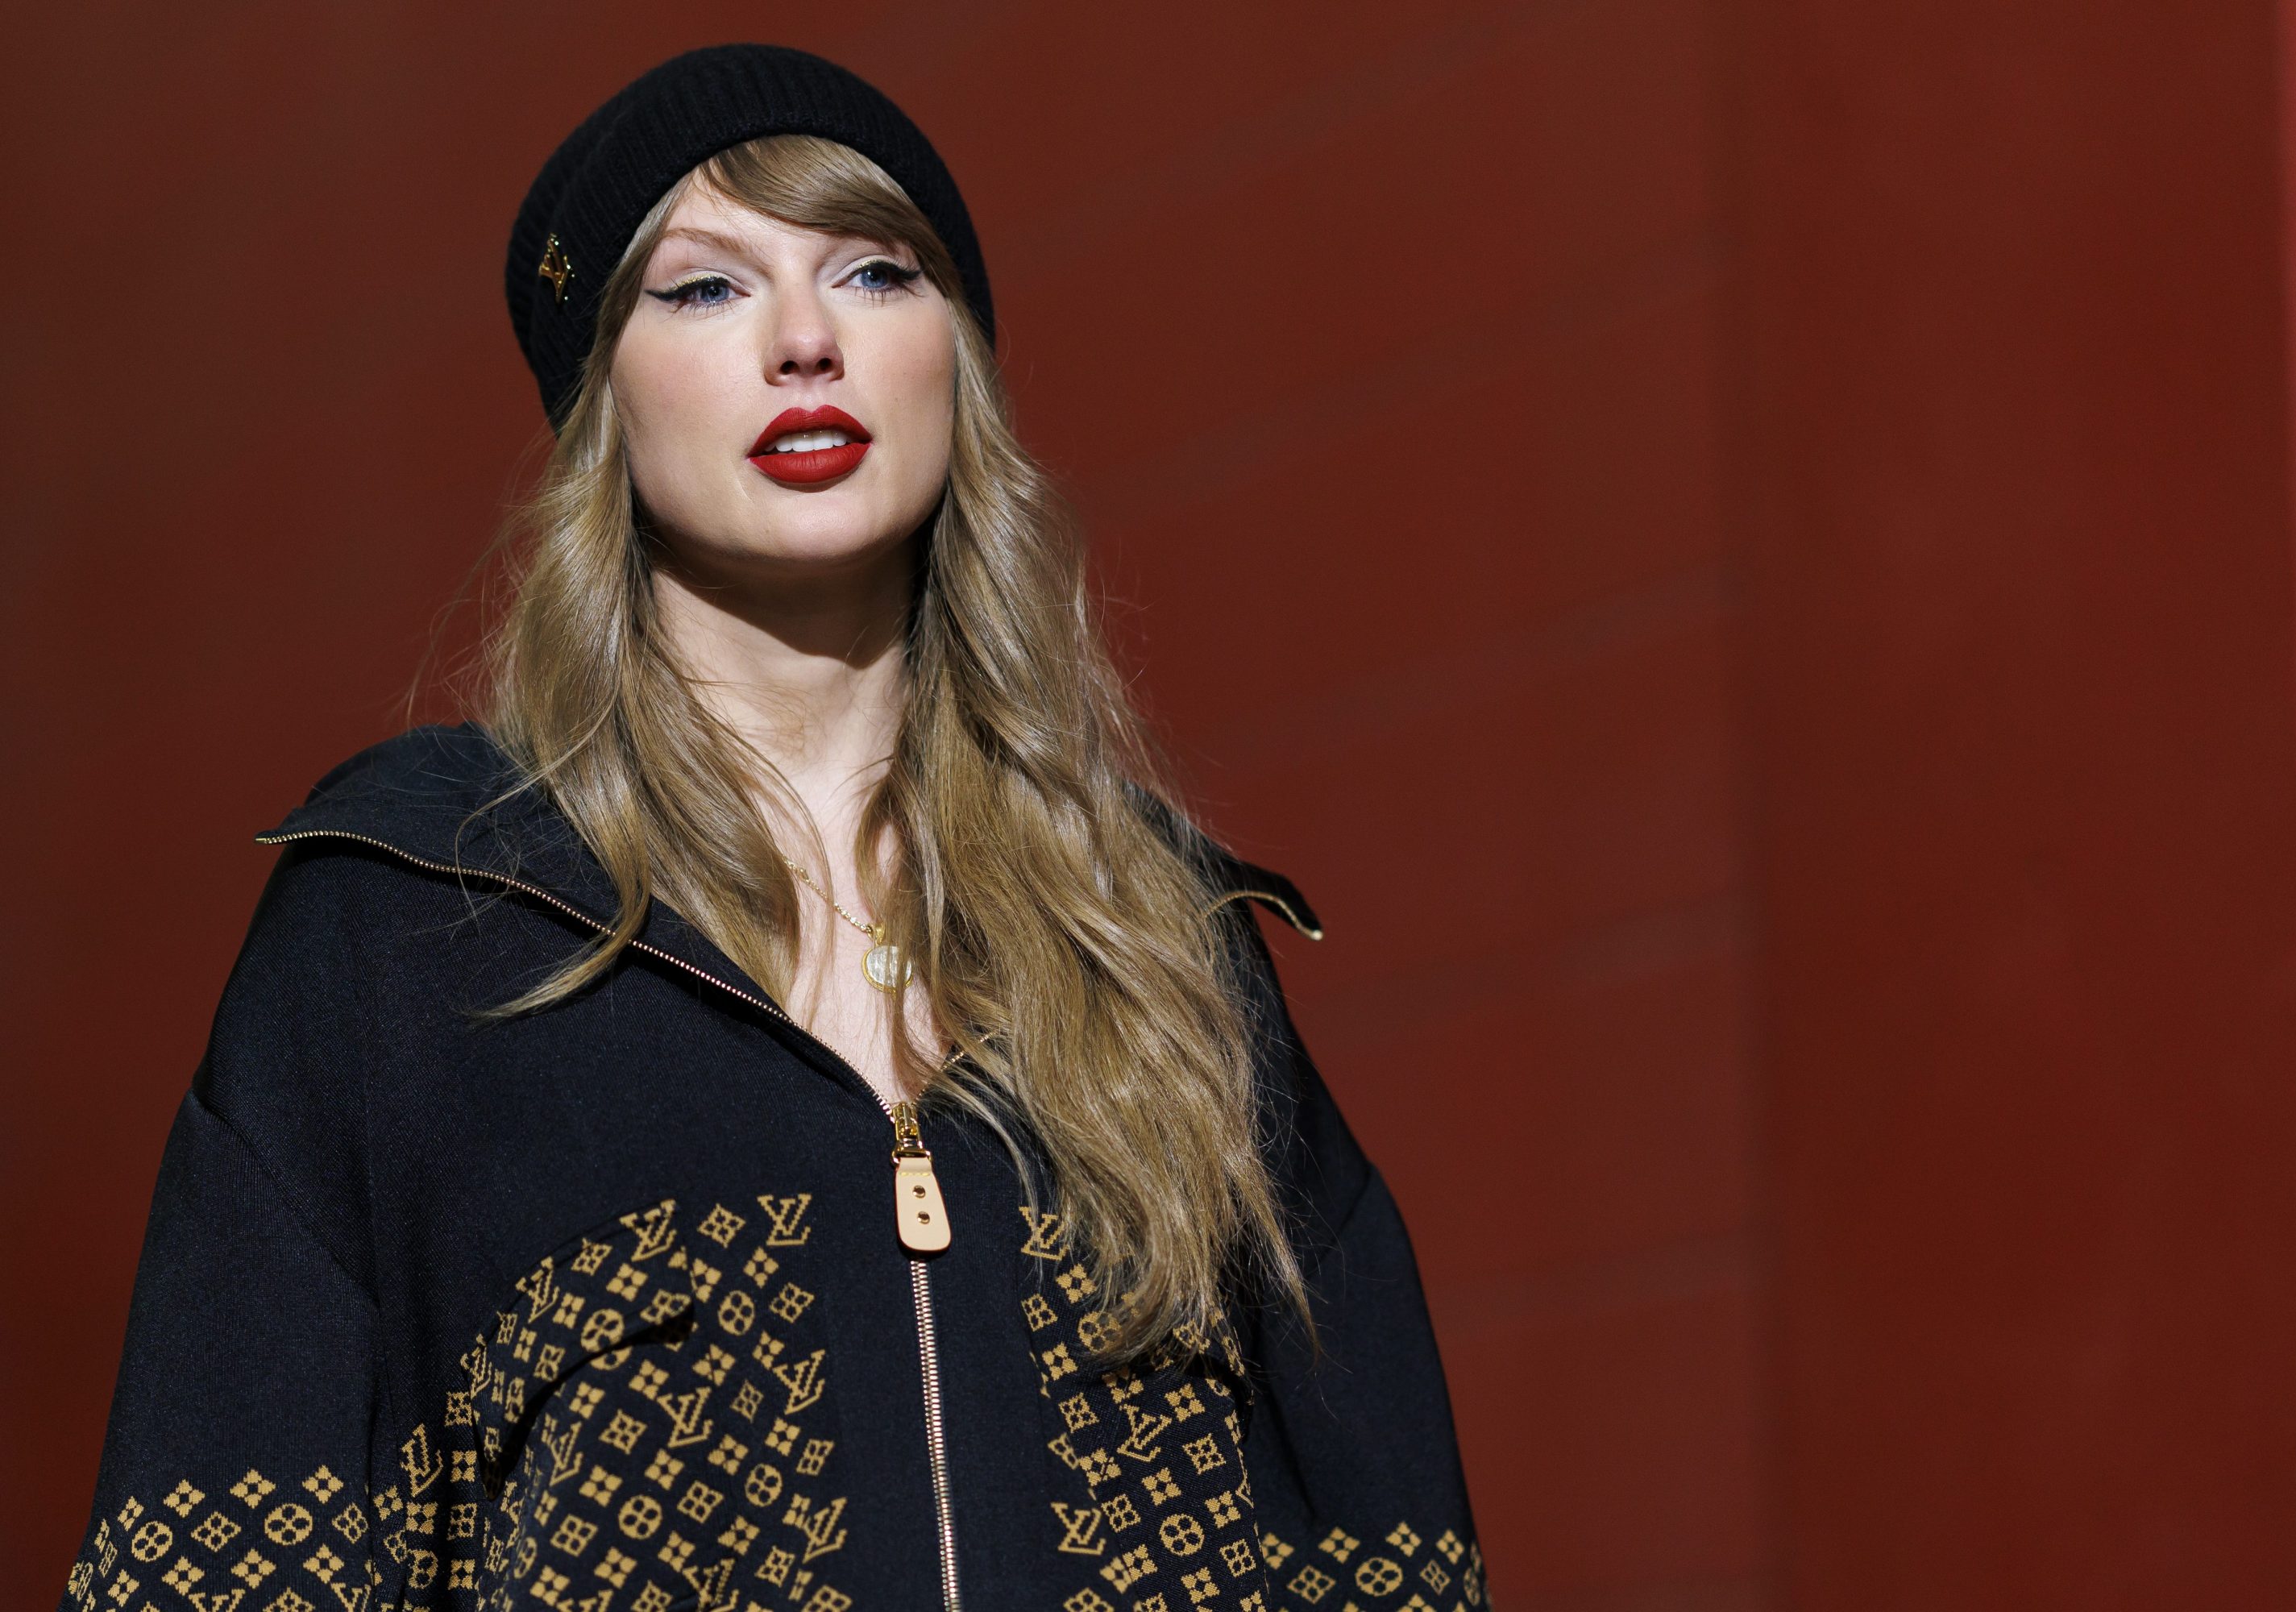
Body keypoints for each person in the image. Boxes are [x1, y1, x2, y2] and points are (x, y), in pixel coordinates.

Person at [58, 44, 1487, 1612]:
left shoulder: (1157, 939)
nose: (806, 340)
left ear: (957, 359)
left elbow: (1390, 1548)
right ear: (600, 398)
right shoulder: (409, 926)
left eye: (875, 272)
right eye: (704, 289)